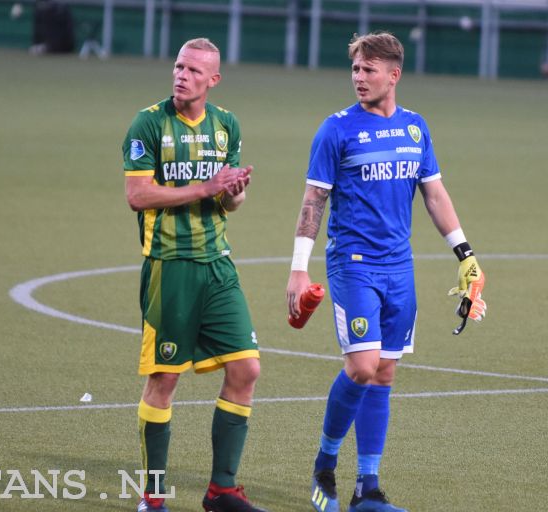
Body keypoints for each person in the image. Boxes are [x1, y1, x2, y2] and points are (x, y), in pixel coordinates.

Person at [286, 32, 487, 512]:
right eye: (355, 69)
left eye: (368, 69)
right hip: (353, 265)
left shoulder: (415, 129)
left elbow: (434, 194)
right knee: (361, 366)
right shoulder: (335, 130)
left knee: (384, 373)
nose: (359, 77)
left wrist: (466, 254)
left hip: (400, 268)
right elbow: (314, 201)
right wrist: (298, 268)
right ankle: (324, 467)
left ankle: (367, 489)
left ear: (393, 75)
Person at [122, 38, 266, 512]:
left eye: (193, 70)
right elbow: (139, 196)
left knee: (246, 369)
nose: (181, 75)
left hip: (218, 264)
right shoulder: (148, 122)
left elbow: (228, 203)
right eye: (179, 66)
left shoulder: (227, 126)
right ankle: (154, 498)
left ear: (213, 80)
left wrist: (234, 190)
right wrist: (207, 185)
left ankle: (221, 490)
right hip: (170, 267)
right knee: (164, 380)